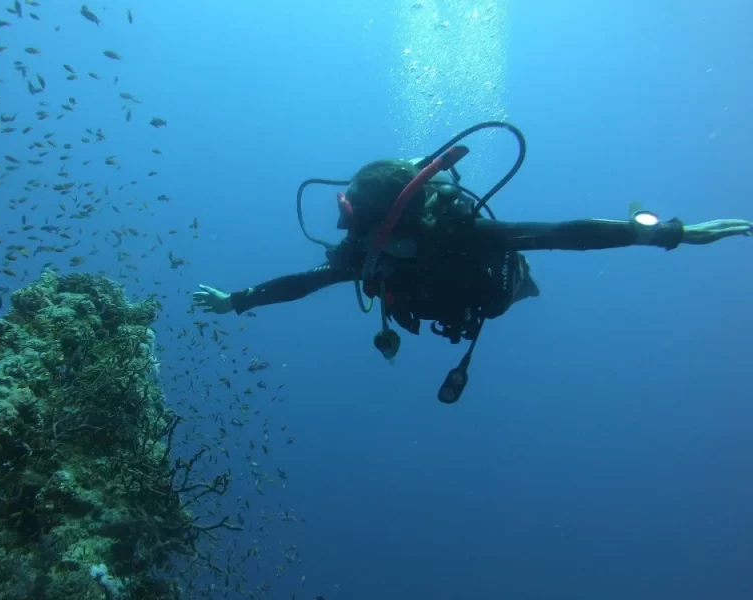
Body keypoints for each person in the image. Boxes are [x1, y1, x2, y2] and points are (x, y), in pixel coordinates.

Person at [193, 122, 751, 404]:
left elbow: (561, 235)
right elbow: (305, 283)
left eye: (352, 213)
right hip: (441, 299)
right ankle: (647, 223)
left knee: (533, 272)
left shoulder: (458, 233)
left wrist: (668, 236)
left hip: (491, 293)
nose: (343, 226)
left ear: (385, 218)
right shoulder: (368, 255)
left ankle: (646, 219)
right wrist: (238, 300)